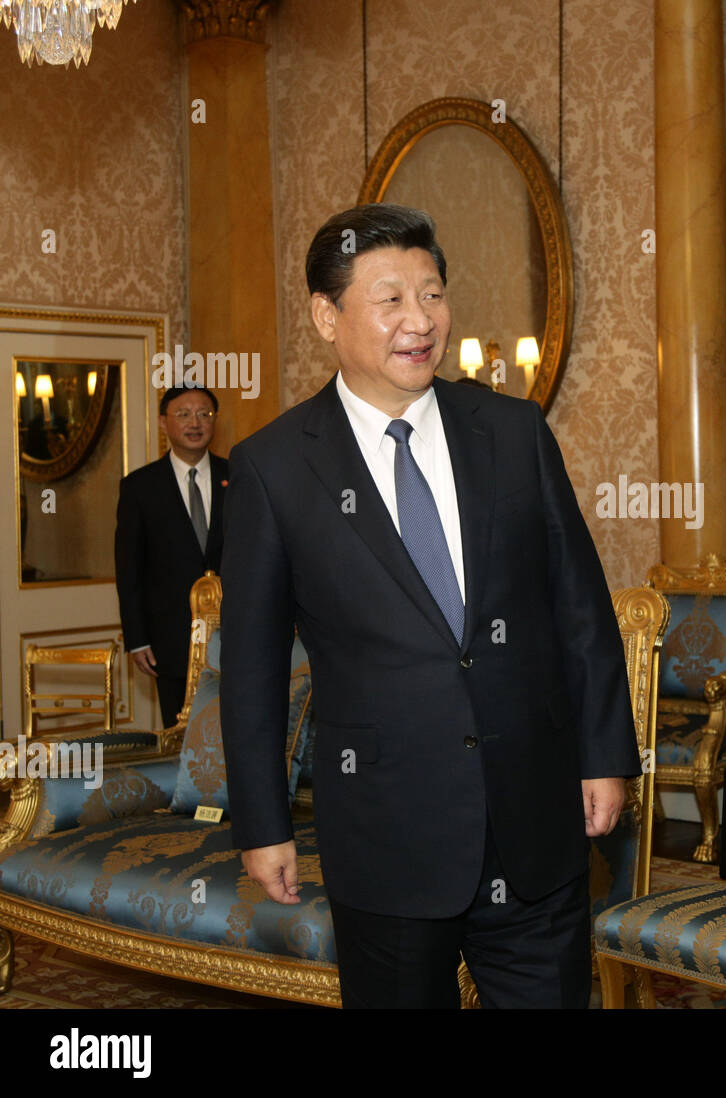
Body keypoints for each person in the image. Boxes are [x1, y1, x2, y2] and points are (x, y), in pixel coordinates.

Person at [219, 203, 638, 1009]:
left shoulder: (513, 433)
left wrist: (604, 752)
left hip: (534, 820)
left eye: (433, 294)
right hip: (387, 836)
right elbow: (254, 668)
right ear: (325, 315)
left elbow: (579, 607)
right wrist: (262, 823)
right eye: (391, 299)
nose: (421, 321)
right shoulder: (274, 468)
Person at [114, 386, 225, 728]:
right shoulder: (140, 487)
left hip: (234, 634)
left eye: (204, 414)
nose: (196, 422)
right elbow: (129, 569)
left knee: (236, 730)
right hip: (170, 637)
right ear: (163, 423)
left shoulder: (238, 477)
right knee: (180, 732)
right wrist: (137, 638)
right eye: (184, 414)